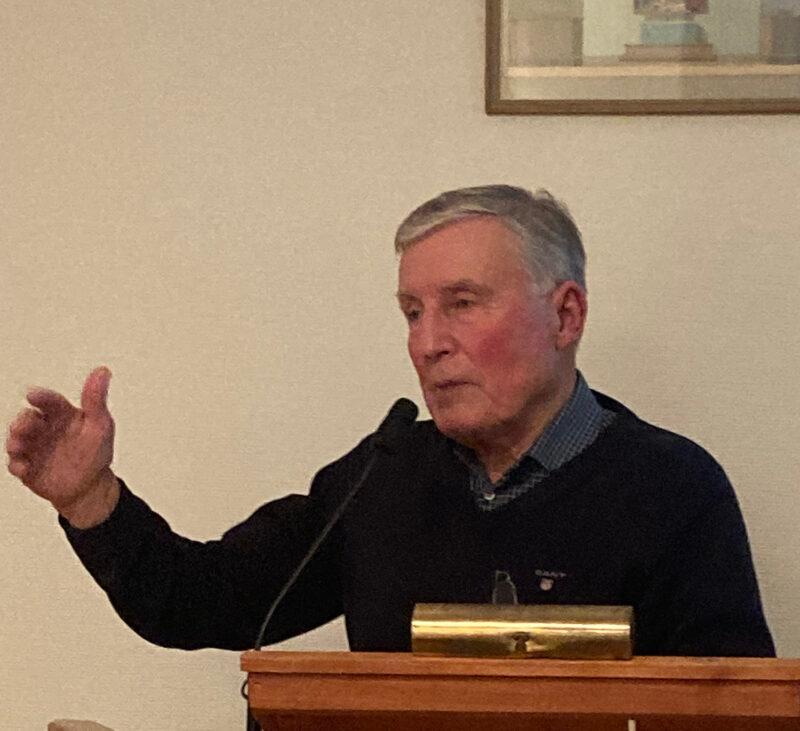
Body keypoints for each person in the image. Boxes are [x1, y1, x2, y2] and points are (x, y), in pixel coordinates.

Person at [5, 184, 774, 656]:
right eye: (412, 311)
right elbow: (205, 599)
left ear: (565, 314)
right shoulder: (382, 477)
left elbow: (732, 707)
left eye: (462, 304)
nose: (428, 342)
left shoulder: (672, 488)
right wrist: (91, 500)